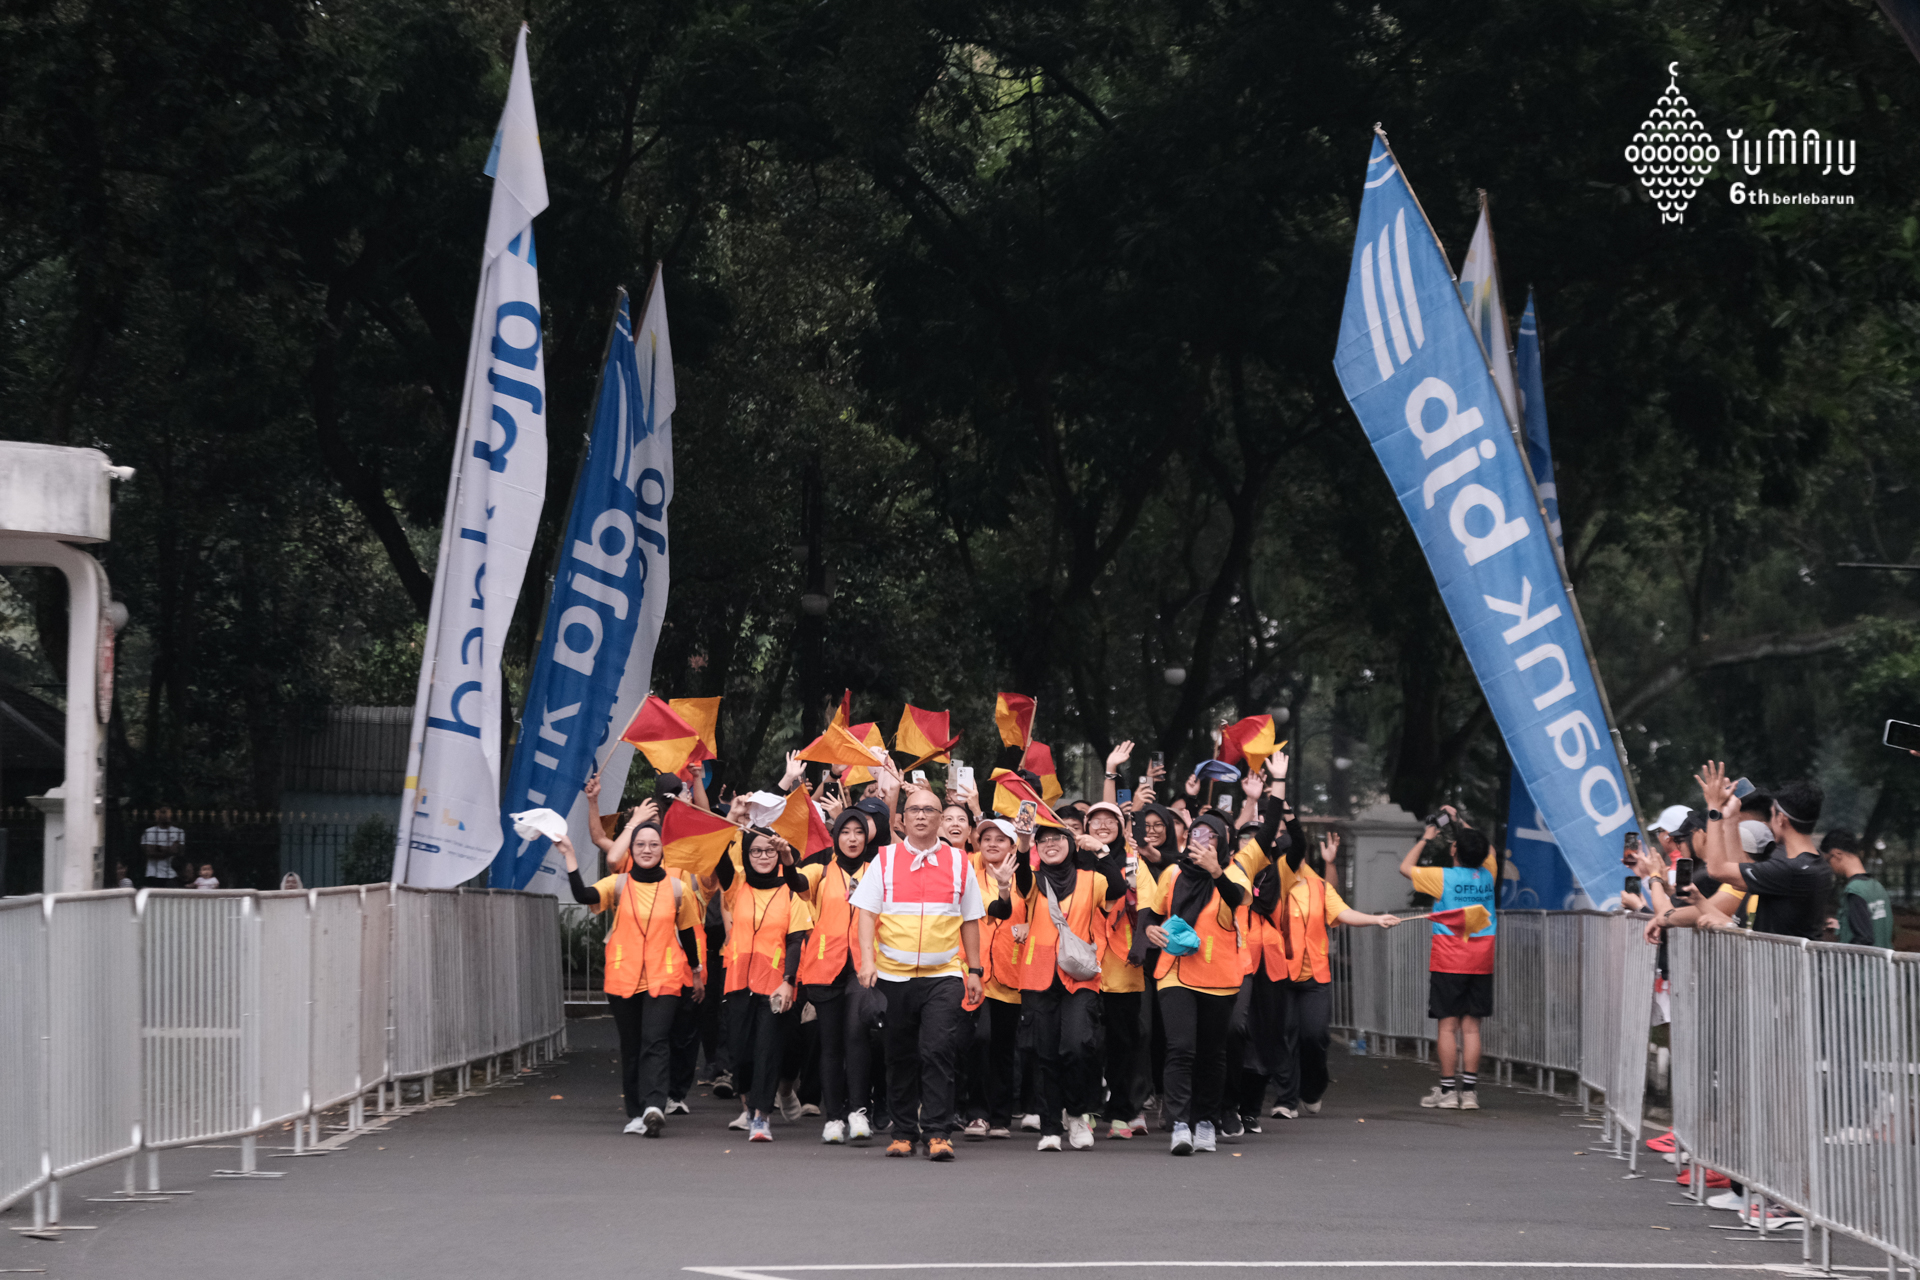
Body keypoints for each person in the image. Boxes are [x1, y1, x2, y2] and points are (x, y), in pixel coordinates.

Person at [850, 780, 987, 1162]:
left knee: (938, 1050)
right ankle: (904, 1132)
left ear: (941, 819)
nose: (922, 816)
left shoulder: (959, 862)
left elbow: (971, 919)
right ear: (903, 818)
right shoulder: (884, 860)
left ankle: (938, 1132)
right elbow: (866, 914)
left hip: (943, 974)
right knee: (899, 1055)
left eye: (929, 810)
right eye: (914, 810)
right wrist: (867, 961)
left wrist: (974, 970)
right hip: (892, 976)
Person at [558, 818, 702, 1136]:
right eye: (640, 845)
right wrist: (569, 854)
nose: (647, 850)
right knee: (632, 1045)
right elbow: (583, 895)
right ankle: (636, 1112)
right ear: (632, 850)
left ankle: (654, 1105)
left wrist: (696, 972)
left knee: (656, 1040)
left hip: (665, 975)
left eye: (653, 844)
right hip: (623, 975)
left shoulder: (678, 889)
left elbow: (688, 933)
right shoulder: (618, 884)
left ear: (662, 849)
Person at [1251, 830, 1398, 1118]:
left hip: (1315, 977)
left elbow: (1343, 913)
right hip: (1280, 975)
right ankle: (1286, 1100)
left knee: (1315, 1036)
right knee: (1284, 1036)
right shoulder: (1268, 885)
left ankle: (1313, 1088)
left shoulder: (1318, 886)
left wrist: (1375, 919)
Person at [1129, 810, 1247, 1155]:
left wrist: (1215, 871)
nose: (1202, 841)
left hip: (1220, 976)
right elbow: (1153, 913)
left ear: (1221, 842)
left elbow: (1236, 899)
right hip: (1175, 972)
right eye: (1197, 834)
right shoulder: (1174, 872)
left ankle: (1206, 1121)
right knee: (1180, 1048)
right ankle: (1180, 1123)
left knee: (1212, 1054)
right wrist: (1151, 929)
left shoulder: (1233, 871)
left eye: (1211, 836)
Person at [1010, 811, 1125, 1150]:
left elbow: (1118, 888)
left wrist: (1101, 851)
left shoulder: (1091, 879)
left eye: (1057, 838)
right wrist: (1023, 843)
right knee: (1044, 1053)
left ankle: (1076, 1114)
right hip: (1039, 975)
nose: (1050, 845)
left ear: (1071, 843)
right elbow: (1020, 877)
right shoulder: (1034, 880)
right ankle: (1050, 1127)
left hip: (1080, 975)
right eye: (1043, 840)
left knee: (1077, 1046)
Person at [709, 827, 814, 1142]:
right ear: (746, 855)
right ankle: (748, 1107)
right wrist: (731, 822)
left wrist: (788, 981)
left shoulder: (790, 892)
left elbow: (795, 941)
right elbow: (718, 857)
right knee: (741, 1052)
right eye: (756, 850)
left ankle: (761, 1116)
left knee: (767, 1050)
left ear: (779, 855)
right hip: (738, 981)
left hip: (774, 984)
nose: (763, 856)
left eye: (770, 850)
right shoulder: (736, 887)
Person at [1397, 806, 1496, 1111]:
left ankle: (1448, 1091)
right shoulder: (1488, 874)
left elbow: (1405, 867)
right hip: (1481, 959)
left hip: (1449, 959)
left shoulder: (1442, 877)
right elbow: (1488, 849)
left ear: (1454, 850)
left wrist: (1427, 837)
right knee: (1472, 1028)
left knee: (1447, 1027)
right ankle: (1470, 1093)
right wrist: (1460, 821)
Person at [797, 808, 882, 1143]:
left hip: (863, 968)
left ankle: (858, 1112)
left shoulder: (876, 871)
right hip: (824, 966)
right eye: (845, 832)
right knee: (830, 1045)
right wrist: (788, 862)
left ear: (866, 837)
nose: (852, 838)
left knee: (857, 1038)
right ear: (835, 837)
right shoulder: (819, 871)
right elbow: (796, 883)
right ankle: (833, 1117)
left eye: (858, 832)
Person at [1693, 764, 1833, 941]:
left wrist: (1715, 807)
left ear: (1781, 819)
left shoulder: (1790, 871)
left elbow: (1717, 869)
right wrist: (1731, 818)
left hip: (1781, 959)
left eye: (1772, 815)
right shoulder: (1815, 864)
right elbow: (1738, 880)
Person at [1087, 797, 1147, 1140]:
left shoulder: (1134, 863)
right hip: (1085, 964)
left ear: (1122, 828)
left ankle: (1123, 1111)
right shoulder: (1076, 864)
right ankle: (1087, 1107)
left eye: (1110, 820)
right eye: (1096, 821)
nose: (1103, 826)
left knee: (1124, 1042)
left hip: (1124, 964)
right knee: (1087, 1042)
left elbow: (1144, 905)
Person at [965, 816, 1025, 1139]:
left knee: (1004, 1047)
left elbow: (1038, 915)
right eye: (986, 838)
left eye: (1000, 839)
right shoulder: (969, 873)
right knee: (979, 1040)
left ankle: (1000, 1117)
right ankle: (977, 1113)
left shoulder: (1026, 878)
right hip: (974, 973)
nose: (992, 844)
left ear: (1013, 847)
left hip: (1011, 972)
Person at [1821, 830, 1893, 948]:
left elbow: (1864, 938)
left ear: (1837, 854)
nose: (1829, 866)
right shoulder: (1877, 886)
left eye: (1828, 860)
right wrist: (1842, 926)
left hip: (1865, 960)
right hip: (1882, 957)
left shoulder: (1854, 890)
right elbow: (1874, 925)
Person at [141, 806, 185, 887]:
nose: (167, 815)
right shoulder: (149, 832)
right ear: (157, 814)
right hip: (153, 874)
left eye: (169, 812)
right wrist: (169, 849)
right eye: (163, 812)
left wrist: (157, 847)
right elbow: (149, 852)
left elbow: (177, 851)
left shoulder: (179, 832)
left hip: (172, 875)